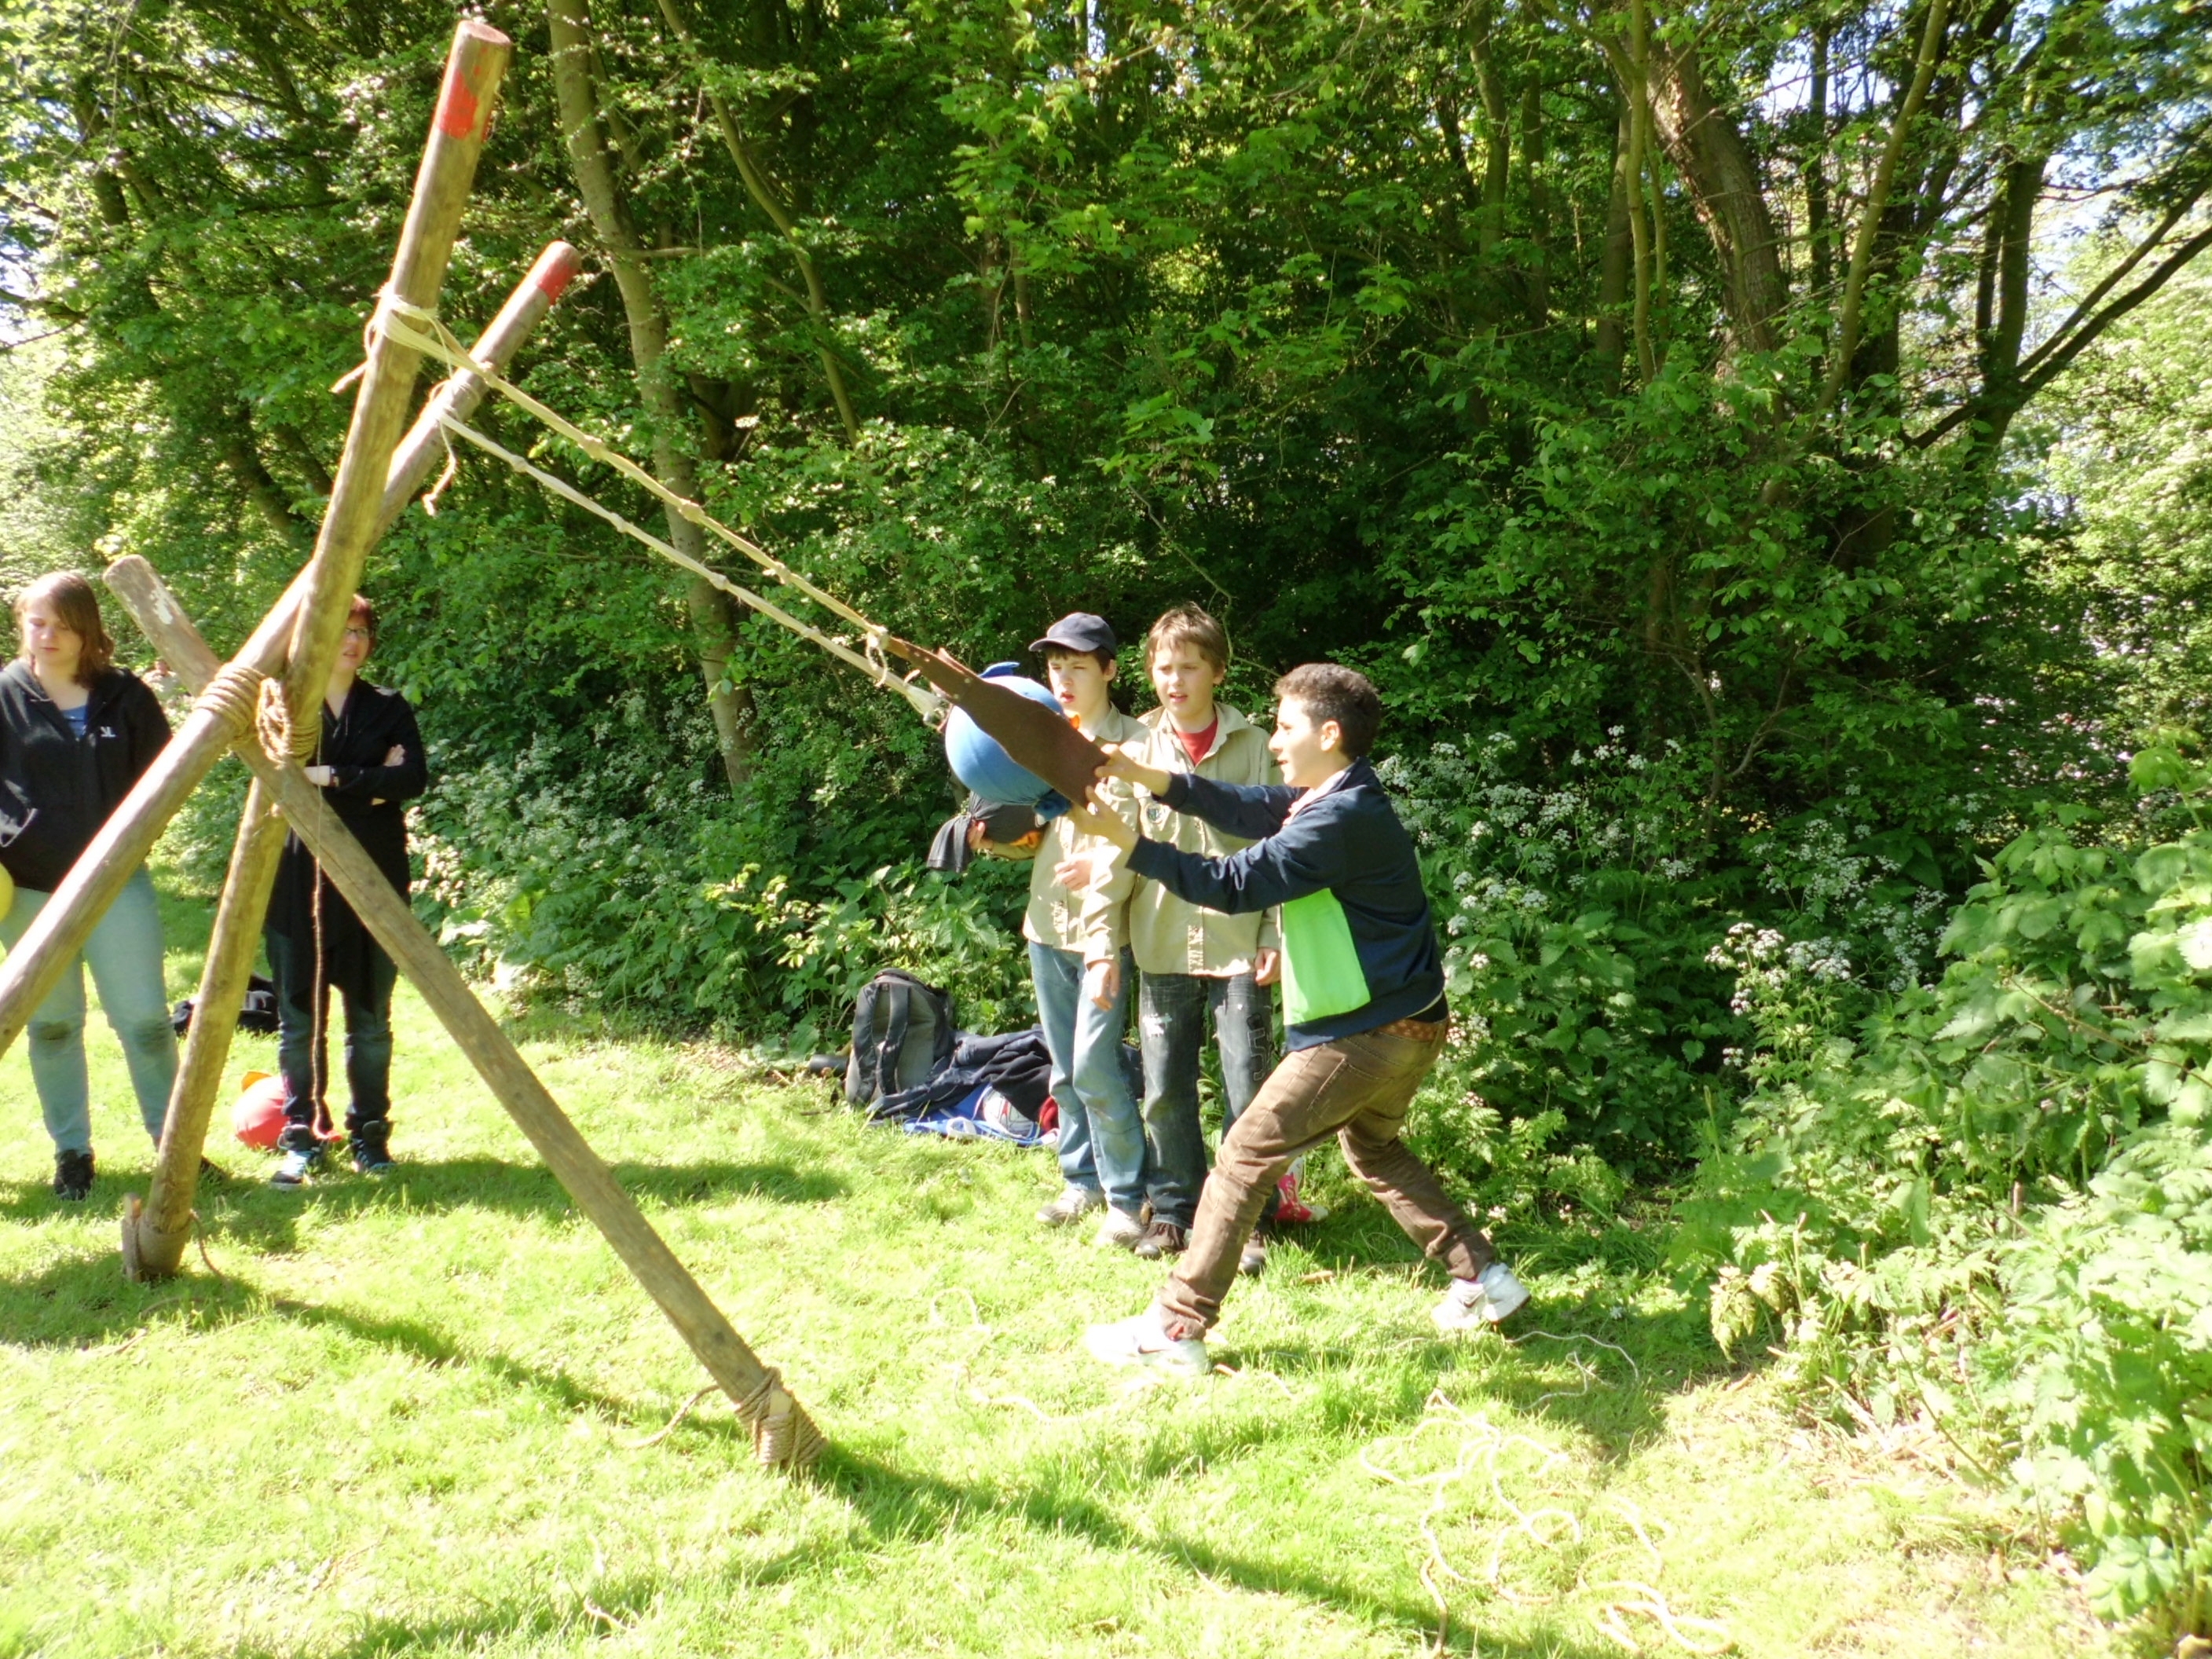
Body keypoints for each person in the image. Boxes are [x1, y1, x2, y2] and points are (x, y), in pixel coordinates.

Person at [1065, 663, 1529, 1374]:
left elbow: (1235, 882)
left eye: (1285, 727)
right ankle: (1484, 1280)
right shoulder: (1339, 796)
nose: (1276, 741)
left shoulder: (1340, 818)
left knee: (1244, 1157)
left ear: (1330, 733)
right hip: (1414, 1025)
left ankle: (1175, 1327)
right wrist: (1144, 773)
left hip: (1365, 1035)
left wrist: (1129, 845)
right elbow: (1249, 807)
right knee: (1374, 1151)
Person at [1075, 606, 1289, 1266]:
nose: (1175, 679)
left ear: (1217, 672)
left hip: (1239, 942)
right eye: (1163, 667)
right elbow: (1112, 853)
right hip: (1161, 941)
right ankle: (1171, 1212)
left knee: (1246, 1085)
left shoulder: (1256, 746)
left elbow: (1285, 845)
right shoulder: (1134, 751)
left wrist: (1278, 934)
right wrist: (1100, 946)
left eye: (1189, 666)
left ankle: (1247, 1217)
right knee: (1166, 1084)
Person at [971, 613, 1151, 1246]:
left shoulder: (1136, 744)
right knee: (1065, 1072)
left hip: (1109, 937)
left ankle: (1129, 1200)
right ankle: (1082, 1181)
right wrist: (997, 840)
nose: (1065, 678)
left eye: (1078, 665)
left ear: (1109, 668)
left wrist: (1105, 859)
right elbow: (1033, 841)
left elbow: (1150, 841)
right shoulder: (1034, 743)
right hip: (1046, 925)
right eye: (1054, 667)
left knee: (1097, 1067)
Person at [0, 572, 179, 1201]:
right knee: (52, 1026)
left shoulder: (125, 696)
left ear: (87, 630)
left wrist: (138, 844)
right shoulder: (5, 694)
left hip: (116, 884)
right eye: (36, 622)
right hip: (29, 891)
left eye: (62, 625)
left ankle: (175, 1147)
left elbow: (168, 779)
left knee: (147, 1024)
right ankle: (72, 1154)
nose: (47, 636)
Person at [264, 595, 427, 1186]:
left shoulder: (387, 707)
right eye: (340, 631)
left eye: (361, 632)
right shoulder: (282, 704)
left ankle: (370, 1135)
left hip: (375, 880)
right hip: (295, 882)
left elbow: (412, 778)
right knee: (300, 1024)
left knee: (370, 1020)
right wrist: (371, 782)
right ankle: (304, 1137)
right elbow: (278, 778)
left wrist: (332, 775)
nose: (352, 643)